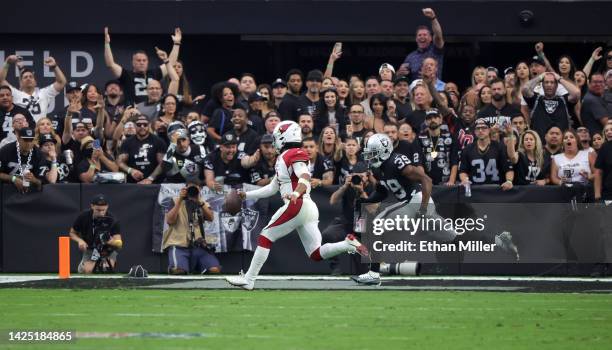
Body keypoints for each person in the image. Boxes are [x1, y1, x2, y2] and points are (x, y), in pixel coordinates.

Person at [225, 120, 367, 290]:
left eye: (277, 137)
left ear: (284, 137)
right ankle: (347, 245)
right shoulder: (284, 157)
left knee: (265, 237)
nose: (274, 141)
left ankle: (249, 279)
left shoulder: (292, 153)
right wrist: (246, 195)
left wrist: (295, 193)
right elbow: (271, 188)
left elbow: (305, 176)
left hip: (297, 204)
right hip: (307, 207)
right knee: (315, 254)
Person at [104, 27, 180, 105]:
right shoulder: (126, 75)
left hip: (153, 111)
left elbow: (170, 64)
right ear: (133, 62)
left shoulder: (154, 73)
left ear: (147, 62)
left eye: (144, 60)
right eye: (138, 60)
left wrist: (176, 44)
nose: (142, 63)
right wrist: (107, 44)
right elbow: (110, 64)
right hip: (134, 113)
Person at [324, 162, 374, 275]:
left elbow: (372, 209)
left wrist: (362, 191)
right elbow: (333, 201)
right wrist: (344, 186)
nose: (359, 179)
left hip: (364, 226)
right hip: (346, 222)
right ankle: (335, 267)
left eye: (361, 176)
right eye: (356, 175)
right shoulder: (348, 184)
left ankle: (366, 271)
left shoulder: (373, 186)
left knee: (362, 269)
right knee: (328, 234)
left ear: (367, 175)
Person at [162, 183, 220, 275]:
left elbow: (210, 218)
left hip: (198, 246)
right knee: (178, 271)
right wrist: (180, 200)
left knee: (214, 270)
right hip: (178, 245)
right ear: (185, 189)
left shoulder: (202, 203)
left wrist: (199, 202)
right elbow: (169, 220)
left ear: (200, 190)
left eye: (195, 189)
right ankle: (182, 265)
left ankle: (197, 266)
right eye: (190, 189)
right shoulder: (175, 200)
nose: (192, 191)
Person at [0, 55, 67, 122]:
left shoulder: (44, 93)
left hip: (40, 130)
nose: (28, 78)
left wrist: (54, 66)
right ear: (21, 83)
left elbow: (62, 82)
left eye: (31, 77)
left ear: (35, 82)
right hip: (22, 130)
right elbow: (1, 81)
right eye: (25, 77)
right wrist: (7, 62)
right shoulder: (15, 94)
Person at [69, 194, 123, 273]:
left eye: (103, 210)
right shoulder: (84, 216)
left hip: (107, 250)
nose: (101, 213)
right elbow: (72, 233)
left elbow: (119, 243)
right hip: (91, 249)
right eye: (98, 210)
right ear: (92, 206)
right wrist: (80, 241)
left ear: (107, 206)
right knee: (87, 271)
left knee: (105, 269)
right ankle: (83, 266)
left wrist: (110, 241)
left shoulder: (113, 220)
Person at [522, 72, 580, 140]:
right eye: (546, 82)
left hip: (561, 147)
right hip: (540, 146)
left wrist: (559, 79)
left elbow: (576, 93)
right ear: (542, 84)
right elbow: (525, 89)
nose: (549, 85)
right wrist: (540, 77)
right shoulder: (536, 99)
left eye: (552, 82)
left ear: (557, 85)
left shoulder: (564, 100)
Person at [459, 119, 514, 189]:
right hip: (475, 190)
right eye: (478, 128)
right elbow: (463, 171)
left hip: (496, 190)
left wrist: (509, 181)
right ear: (474, 132)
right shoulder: (467, 149)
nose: (480, 130)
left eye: (484, 127)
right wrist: (464, 180)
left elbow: (508, 169)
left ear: (489, 130)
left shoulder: (499, 147)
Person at [116, 115, 167, 184]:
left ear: (149, 125)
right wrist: (131, 170)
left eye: (145, 124)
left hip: (154, 183)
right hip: (132, 184)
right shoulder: (127, 142)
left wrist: (150, 178)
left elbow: (163, 163)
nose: (142, 127)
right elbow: (120, 162)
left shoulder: (159, 141)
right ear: (135, 126)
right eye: (139, 124)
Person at [397, 8, 445, 81]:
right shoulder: (410, 57)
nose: (422, 37)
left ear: (430, 38)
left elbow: (438, 36)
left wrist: (433, 18)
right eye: (419, 35)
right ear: (416, 39)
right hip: (417, 90)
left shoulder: (436, 50)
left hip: (435, 89)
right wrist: (399, 73)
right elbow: (402, 76)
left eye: (425, 35)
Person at [417, 109, 458, 185]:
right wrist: (424, 181)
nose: (432, 120)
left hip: (447, 183)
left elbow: (454, 161)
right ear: (425, 122)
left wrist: (451, 181)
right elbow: (419, 163)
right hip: (427, 181)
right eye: (429, 118)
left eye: (435, 117)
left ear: (440, 119)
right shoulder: (419, 138)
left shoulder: (451, 137)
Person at [0, 127, 44, 192]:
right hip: (7, 191)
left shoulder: (38, 154)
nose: (28, 143)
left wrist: (34, 180)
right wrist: (13, 178)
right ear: (18, 139)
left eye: (31, 140)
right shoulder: (6, 150)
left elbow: (42, 183)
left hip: (29, 193)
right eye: (25, 140)